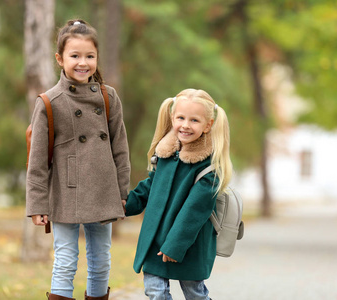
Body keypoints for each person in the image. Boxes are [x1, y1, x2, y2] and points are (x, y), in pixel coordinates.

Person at [26, 19, 130, 300]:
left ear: (97, 57)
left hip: (103, 189)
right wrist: (37, 203)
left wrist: (122, 192)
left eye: (89, 56)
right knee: (65, 261)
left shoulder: (109, 97)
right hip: (66, 190)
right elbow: (37, 160)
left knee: (101, 261)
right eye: (75, 56)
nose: (82, 63)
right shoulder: (49, 101)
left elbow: (120, 148)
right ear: (60, 59)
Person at [122, 89, 233, 299]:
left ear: (208, 125)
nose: (185, 125)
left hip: (187, 242)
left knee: (194, 293)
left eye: (194, 120)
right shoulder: (165, 153)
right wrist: (126, 204)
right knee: (155, 291)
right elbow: (150, 186)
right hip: (155, 238)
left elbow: (195, 211)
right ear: (172, 117)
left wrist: (175, 245)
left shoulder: (209, 167)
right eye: (180, 118)